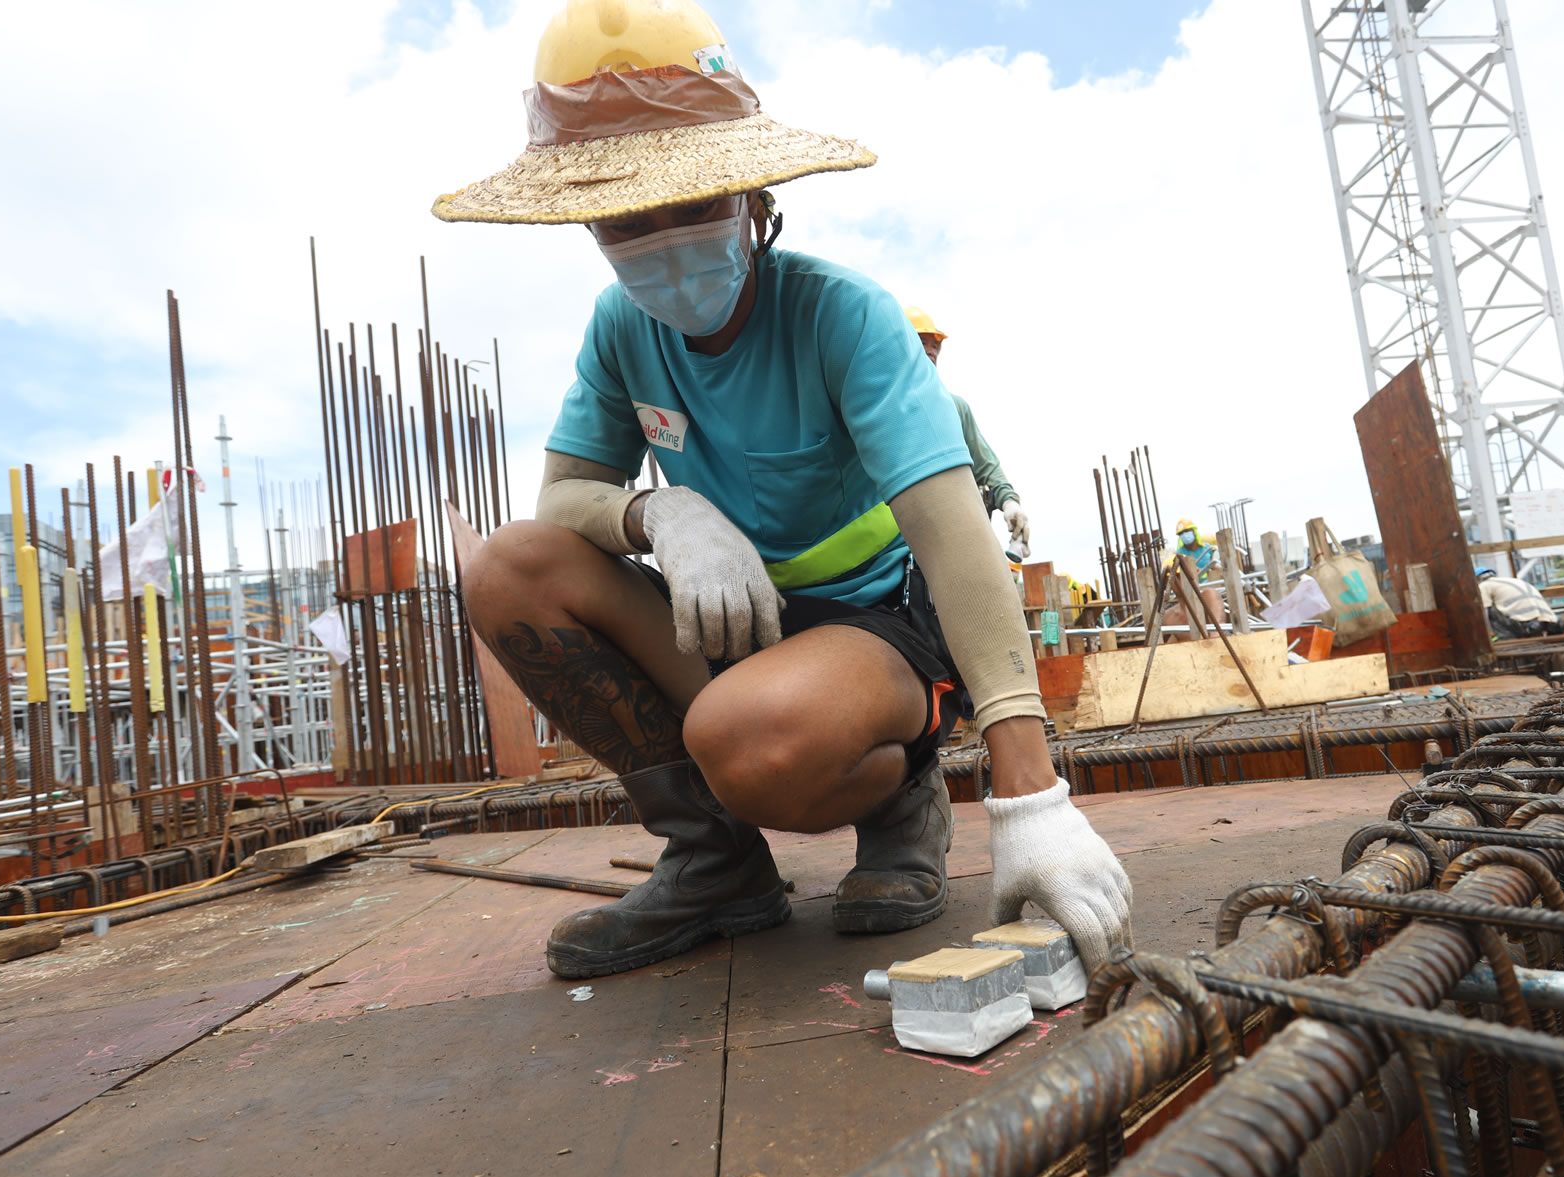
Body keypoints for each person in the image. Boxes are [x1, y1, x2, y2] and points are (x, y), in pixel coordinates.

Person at [432, 0, 1131, 980]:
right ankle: (715, 862)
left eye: (695, 204)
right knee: (510, 568)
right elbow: (561, 502)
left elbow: (951, 530)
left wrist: (1030, 797)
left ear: (755, 199)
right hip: (730, 620)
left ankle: (904, 800)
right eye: (630, 219)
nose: (665, 238)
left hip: (873, 627)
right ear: (588, 224)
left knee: (751, 741)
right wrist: (660, 511)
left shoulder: (844, 316)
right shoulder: (620, 330)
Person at [904, 307, 1030, 558]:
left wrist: (1009, 502)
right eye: (922, 342)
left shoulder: (954, 408)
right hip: (900, 540)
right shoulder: (882, 407)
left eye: (934, 346)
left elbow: (986, 466)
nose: (930, 351)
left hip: (950, 538)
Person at [1160, 519, 1226, 639]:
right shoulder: (1168, 617)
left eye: (1186, 575)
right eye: (1177, 577)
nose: (1182, 581)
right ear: (1168, 582)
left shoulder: (1209, 597)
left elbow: (1217, 634)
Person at [1476, 568, 1564, 639]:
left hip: (1523, 624)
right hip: (1548, 623)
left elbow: (1485, 612)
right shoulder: (1513, 581)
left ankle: (1506, 638)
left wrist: (1488, 633)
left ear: (1477, 580)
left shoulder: (1483, 585)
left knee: (1487, 608)